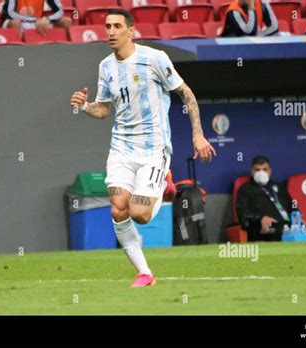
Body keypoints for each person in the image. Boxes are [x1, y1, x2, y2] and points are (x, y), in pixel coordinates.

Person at [70, 9, 216, 288]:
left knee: (141, 214)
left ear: (131, 30)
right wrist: (86, 106)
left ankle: (163, 182)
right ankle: (144, 272)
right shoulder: (106, 67)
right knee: (117, 209)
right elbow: (104, 109)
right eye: (107, 26)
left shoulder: (154, 59)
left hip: (153, 148)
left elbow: (186, 93)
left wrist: (198, 135)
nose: (110, 32)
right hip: (121, 148)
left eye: (116, 26)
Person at [236, 156, 306, 242]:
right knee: (281, 231)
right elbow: (243, 213)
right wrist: (261, 218)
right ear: (252, 171)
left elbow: (292, 204)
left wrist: (297, 216)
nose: (261, 173)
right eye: (257, 170)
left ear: (270, 171)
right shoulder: (245, 189)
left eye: (264, 169)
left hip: (287, 224)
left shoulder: (279, 187)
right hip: (263, 228)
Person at [1, 0, 72, 35]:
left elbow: (60, 11)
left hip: (38, 24)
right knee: (15, 22)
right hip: (17, 21)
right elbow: (9, 13)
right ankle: (16, 53)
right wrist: (23, 16)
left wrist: (48, 19)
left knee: (66, 22)